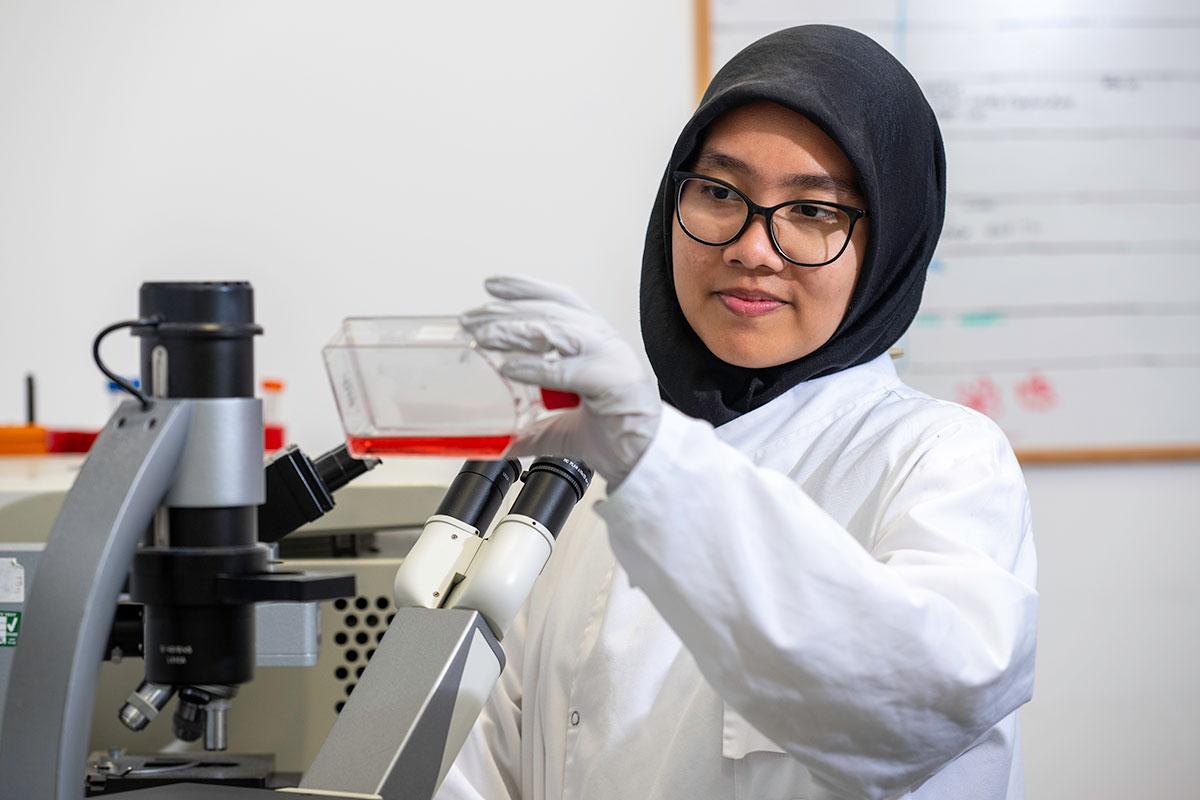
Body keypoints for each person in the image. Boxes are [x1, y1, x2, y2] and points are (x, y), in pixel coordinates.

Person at [438, 24, 1037, 800]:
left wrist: (657, 462)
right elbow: (489, 755)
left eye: (815, 211)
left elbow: (921, 702)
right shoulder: (598, 475)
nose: (754, 248)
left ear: (889, 245)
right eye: (721, 193)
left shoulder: (940, 459)